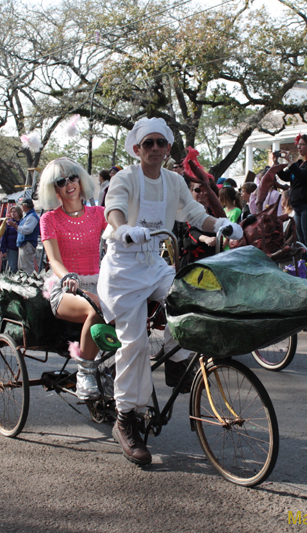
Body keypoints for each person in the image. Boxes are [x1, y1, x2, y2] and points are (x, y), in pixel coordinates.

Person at [98, 117, 242, 465]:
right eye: (148, 143)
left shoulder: (174, 180)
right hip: (123, 269)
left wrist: (221, 223)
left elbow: (194, 214)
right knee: (133, 344)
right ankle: (125, 419)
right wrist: (123, 231)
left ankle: (177, 359)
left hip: (154, 264)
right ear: (137, 149)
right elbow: (113, 210)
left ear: (167, 148)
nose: (155, 149)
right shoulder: (126, 178)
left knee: (189, 297)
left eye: (161, 143)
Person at [38, 157, 108, 400]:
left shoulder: (99, 214)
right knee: (96, 309)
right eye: (61, 180)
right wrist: (68, 275)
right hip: (66, 288)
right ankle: (85, 372)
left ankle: (112, 369)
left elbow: (120, 237)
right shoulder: (49, 219)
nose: (69, 183)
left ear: (81, 180)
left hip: (99, 283)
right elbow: (54, 260)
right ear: (54, 189)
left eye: (73, 177)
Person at [277, 134, 307, 260]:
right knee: (301, 241)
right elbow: (285, 176)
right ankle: (304, 268)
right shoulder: (300, 163)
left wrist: (290, 161)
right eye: (298, 145)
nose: (299, 147)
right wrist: (276, 162)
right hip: (299, 207)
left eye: (302, 145)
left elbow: (303, 176)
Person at [179, 177, 218, 267]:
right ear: (191, 192)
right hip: (193, 261)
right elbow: (191, 231)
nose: (202, 193)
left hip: (214, 258)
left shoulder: (215, 212)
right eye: (197, 190)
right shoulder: (186, 212)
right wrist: (206, 239)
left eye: (205, 190)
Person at [12, 197, 39, 273]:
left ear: (25, 206)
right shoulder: (27, 216)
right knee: (23, 267)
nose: (21, 207)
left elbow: (27, 230)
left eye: (21, 205)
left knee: (27, 268)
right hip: (24, 244)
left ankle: (29, 282)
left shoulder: (32, 217)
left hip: (27, 244)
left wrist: (15, 226)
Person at [0, 205, 20, 273]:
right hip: (12, 248)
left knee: (22, 267)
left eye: (14, 212)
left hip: (22, 248)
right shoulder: (8, 223)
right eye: (11, 212)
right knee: (13, 267)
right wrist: (3, 250)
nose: (12, 213)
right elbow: (3, 237)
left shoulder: (23, 222)